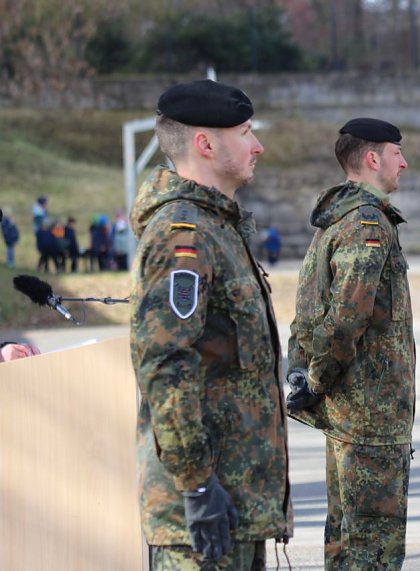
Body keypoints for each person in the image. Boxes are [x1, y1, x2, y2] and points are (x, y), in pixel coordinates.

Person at [129, 79, 290, 570]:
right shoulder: (185, 235)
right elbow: (163, 363)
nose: (258, 145)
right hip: (201, 513)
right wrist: (197, 484)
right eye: (245, 133)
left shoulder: (219, 228)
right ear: (205, 144)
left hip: (237, 502)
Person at [286, 117, 415, 570]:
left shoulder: (336, 222)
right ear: (372, 158)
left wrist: (304, 376)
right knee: (371, 550)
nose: (404, 161)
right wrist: (315, 380)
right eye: (396, 152)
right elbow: (345, 318)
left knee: (345, 544)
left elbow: (306, 316)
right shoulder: (366, 225)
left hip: (350, 418)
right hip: (370, 418)